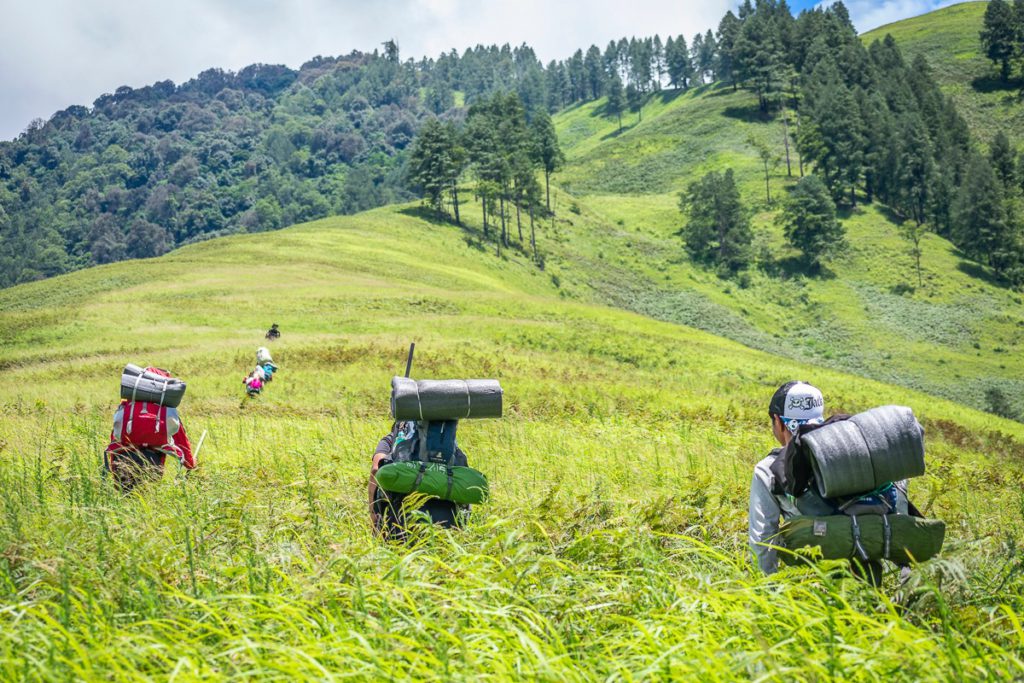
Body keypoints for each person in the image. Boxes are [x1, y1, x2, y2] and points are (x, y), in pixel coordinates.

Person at [748, 381, 911, 582]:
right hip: (870, 560)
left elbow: (762, 539)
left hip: (816, 574)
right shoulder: (856, 452)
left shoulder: (768, 469)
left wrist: (765, 591)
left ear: (778, 421)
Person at [369, 421, 469, 539]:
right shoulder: (448, 446)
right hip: (448, 523)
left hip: (401, 519)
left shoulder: (390, 440)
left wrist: (373, 515)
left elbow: (376, 470)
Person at [105, 367, 195, 491]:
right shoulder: (166, 410)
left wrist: (113, 470)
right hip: (153, 465)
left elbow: (115, 438)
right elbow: (181, 442)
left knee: (124, 500)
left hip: (122, 462)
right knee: (146, 501)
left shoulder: (127, 407)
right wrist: (190, 464)